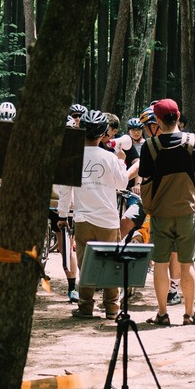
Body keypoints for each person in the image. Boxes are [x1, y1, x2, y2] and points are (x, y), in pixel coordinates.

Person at [138, 98, 195, 326]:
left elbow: (145, 173)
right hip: (187, 210)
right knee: (187, 263)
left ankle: (162, 313)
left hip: (160, 212)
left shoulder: (150, 146)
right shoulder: (194, 141)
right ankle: (189, 313)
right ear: (178, 116)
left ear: (157, 120)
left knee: (160, 263)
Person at [65, 111, 137, 319]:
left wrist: (63, 214)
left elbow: (64, 189)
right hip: (108, 218)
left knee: (85, 263)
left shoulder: (72, 155)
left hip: (83, 218)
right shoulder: (110, 157)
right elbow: (122, 183)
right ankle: (112, 308)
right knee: (112, 263)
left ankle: (86, 306)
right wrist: (122, 161)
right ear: (103, 133)